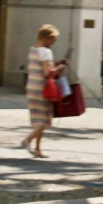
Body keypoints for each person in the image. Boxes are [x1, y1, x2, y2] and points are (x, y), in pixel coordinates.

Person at [24, 25, 65, 159]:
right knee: (45, 120)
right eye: (53, 40)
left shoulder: (33, 50)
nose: (53, 43)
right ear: (47, 38)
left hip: (31, 87)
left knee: (38, 118)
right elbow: (47, 73)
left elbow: (41, 67)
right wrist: (59, 68)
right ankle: (28, 140)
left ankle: (38, 149)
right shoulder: (46, 52)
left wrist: (57, 63)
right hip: (43, 88)